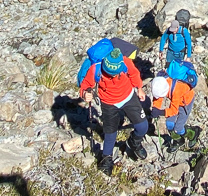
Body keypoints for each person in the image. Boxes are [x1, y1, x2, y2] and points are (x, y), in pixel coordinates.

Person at [78, 46, 149, 175]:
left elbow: (134, 74)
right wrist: (85, 94)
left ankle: (134, 142)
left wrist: (139, 88)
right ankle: (106, 159)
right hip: (108, 103)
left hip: (128, 97)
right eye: (110, 73)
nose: (113, 76)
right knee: (110, 133)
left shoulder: (125, 61)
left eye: (116, 73)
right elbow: (85, 85)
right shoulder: (96, 69)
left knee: (143, 126)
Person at [150, 75, 197, 147]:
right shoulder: (162, 83)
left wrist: (160, 112)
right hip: (176, 101)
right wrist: (155, 108)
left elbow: (174, 111)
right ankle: (179, 141)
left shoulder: (176, 90)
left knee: (178, 128)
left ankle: (193, 133)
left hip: (186, 103)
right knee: (169, 124)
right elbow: (158, 99)